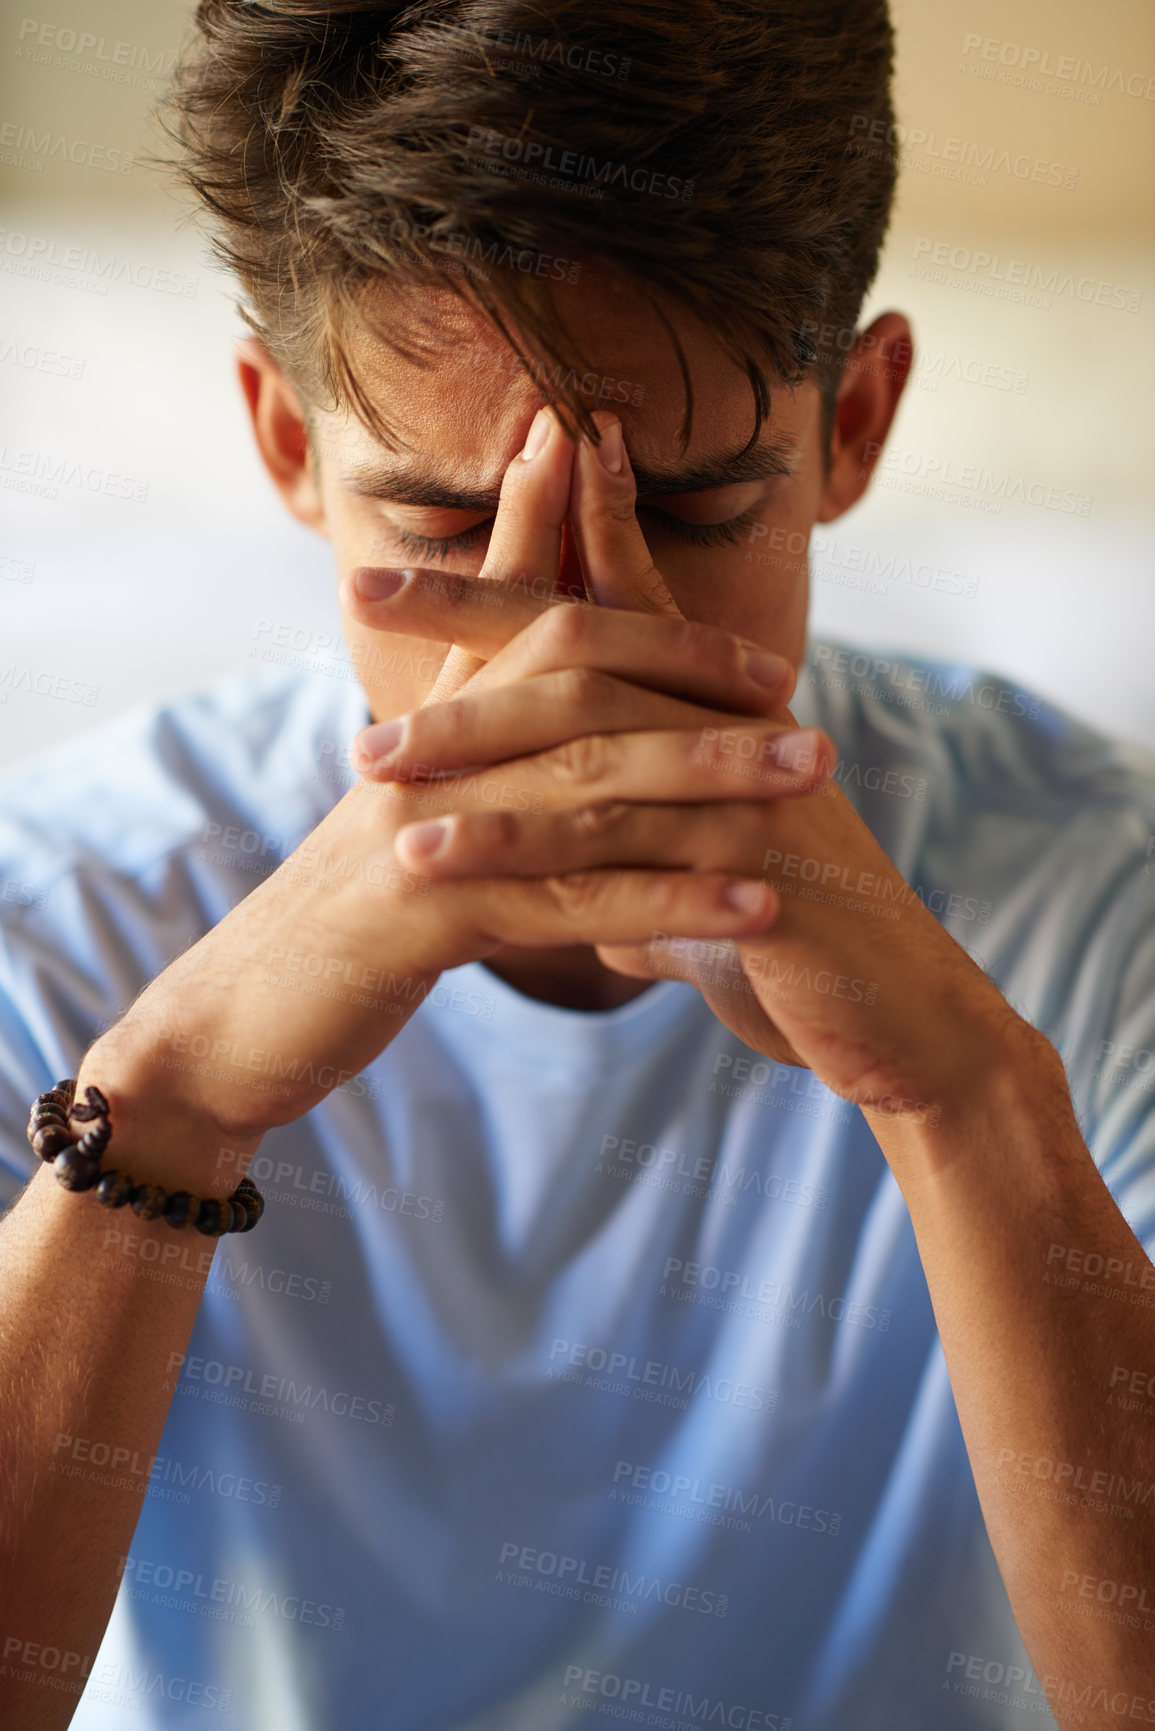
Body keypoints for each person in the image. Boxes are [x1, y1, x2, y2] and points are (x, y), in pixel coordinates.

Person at [1, 1, 1153, 1726]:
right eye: (448, 532)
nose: (571, 639)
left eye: (685, 513)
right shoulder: (61, 914)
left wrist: (966, 1098)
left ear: (857, 422)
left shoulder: (1104, 894)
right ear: (288, 444)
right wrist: (161, 1110)